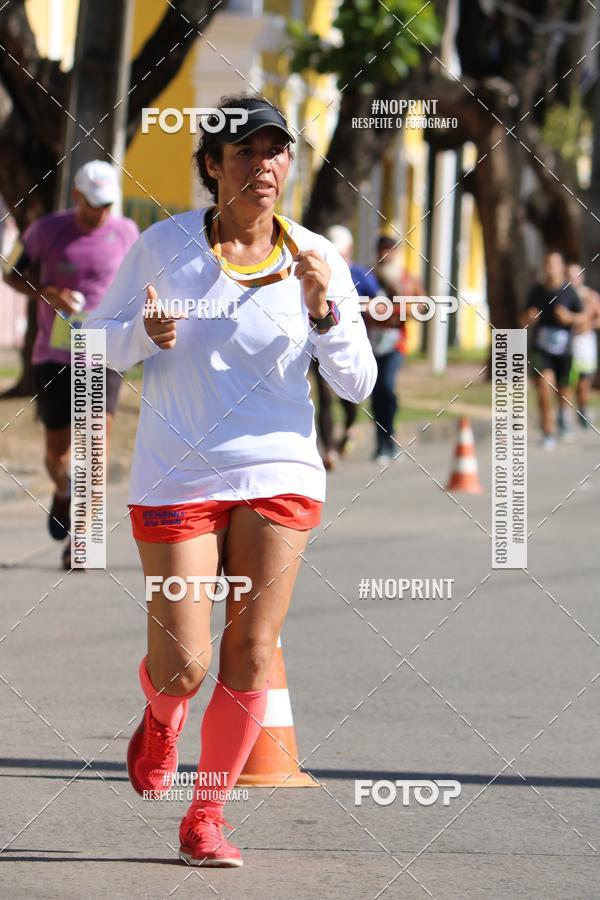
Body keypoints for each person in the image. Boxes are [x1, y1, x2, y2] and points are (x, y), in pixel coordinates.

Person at [86, 93, 377, 867]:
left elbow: (356, 383)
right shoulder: (162, 247)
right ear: (211, 166)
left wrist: (324, 312)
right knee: (185, 663)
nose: (265, 166)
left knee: (251, 649)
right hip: (178, 473)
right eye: (245, 151)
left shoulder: (316, 255)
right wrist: (137, 335)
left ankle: (207, 815)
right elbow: (90, 343)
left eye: (276, 150)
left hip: (279, 470)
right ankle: (161, 715)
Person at [2, 160, 139, 568]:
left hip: (104, 350)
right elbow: (12, 273)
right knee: (56, 455)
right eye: (93, 203)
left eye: (107, 204)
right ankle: (63, 488)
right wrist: (46, 292)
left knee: (95, 446)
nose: (100, 212)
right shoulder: (46, 230)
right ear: (76, 196)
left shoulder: (127, 232)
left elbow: (142, 280)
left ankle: (83, 539)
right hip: (55, 354)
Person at [310, 224, 381, 467]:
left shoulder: (360, 274)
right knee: (324, 398)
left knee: (349, 400)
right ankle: (329, 450)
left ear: (350, 249)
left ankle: (350, 428)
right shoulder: (316, 270)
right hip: (318, 339)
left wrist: (364, 306)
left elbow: (380, 304)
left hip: (351, 344)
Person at [364, 235, 423, 463]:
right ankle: (382, 444)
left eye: (390, 250)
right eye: (382, 251)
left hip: (396, 342)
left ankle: (389, 438)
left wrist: (402, 305)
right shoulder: (369, 278)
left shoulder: (407, 279)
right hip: (371, 343)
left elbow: (423, 306)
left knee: (386, 387)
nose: (385, 255)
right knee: (377, 392)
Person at [523, 250, 587, 449]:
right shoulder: (537, 291)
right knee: (544, 386)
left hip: (565, 350)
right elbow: (523, 319)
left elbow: (583, 320)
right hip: (542, 349)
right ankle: (548, 430)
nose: (550, 268)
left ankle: (562, 416)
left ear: (561, 267)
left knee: (563, 390)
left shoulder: (569, 292)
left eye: (554, 264)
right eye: (547, 264)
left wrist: (570, 318)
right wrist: (529, 317)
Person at [566, 262, 600, 429]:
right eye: (570, 276)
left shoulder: (591, 296)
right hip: (567, 344)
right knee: (567, 382)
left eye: (576, 275)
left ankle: (583, 410)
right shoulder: (562, 295)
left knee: (583, 383)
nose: (573, 279)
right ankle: (565, 415)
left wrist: (587, 323)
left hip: (585, 345)